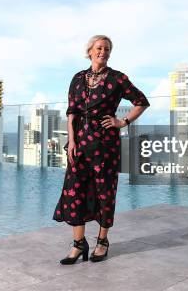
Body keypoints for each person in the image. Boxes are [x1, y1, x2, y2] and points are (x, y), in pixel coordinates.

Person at [53, 35, 149, 264]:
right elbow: (72, 112)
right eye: (99, 48)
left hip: (105, 144)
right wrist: (72, 140)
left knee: (104, 191)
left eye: (107, 49)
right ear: (89, 51)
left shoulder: (117, 78)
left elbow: (141, 101)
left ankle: (102, 242)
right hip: (79, 144)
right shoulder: (77, 78)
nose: (103, 52)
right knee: (74, 191)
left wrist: (122, 122)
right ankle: (79, 244)